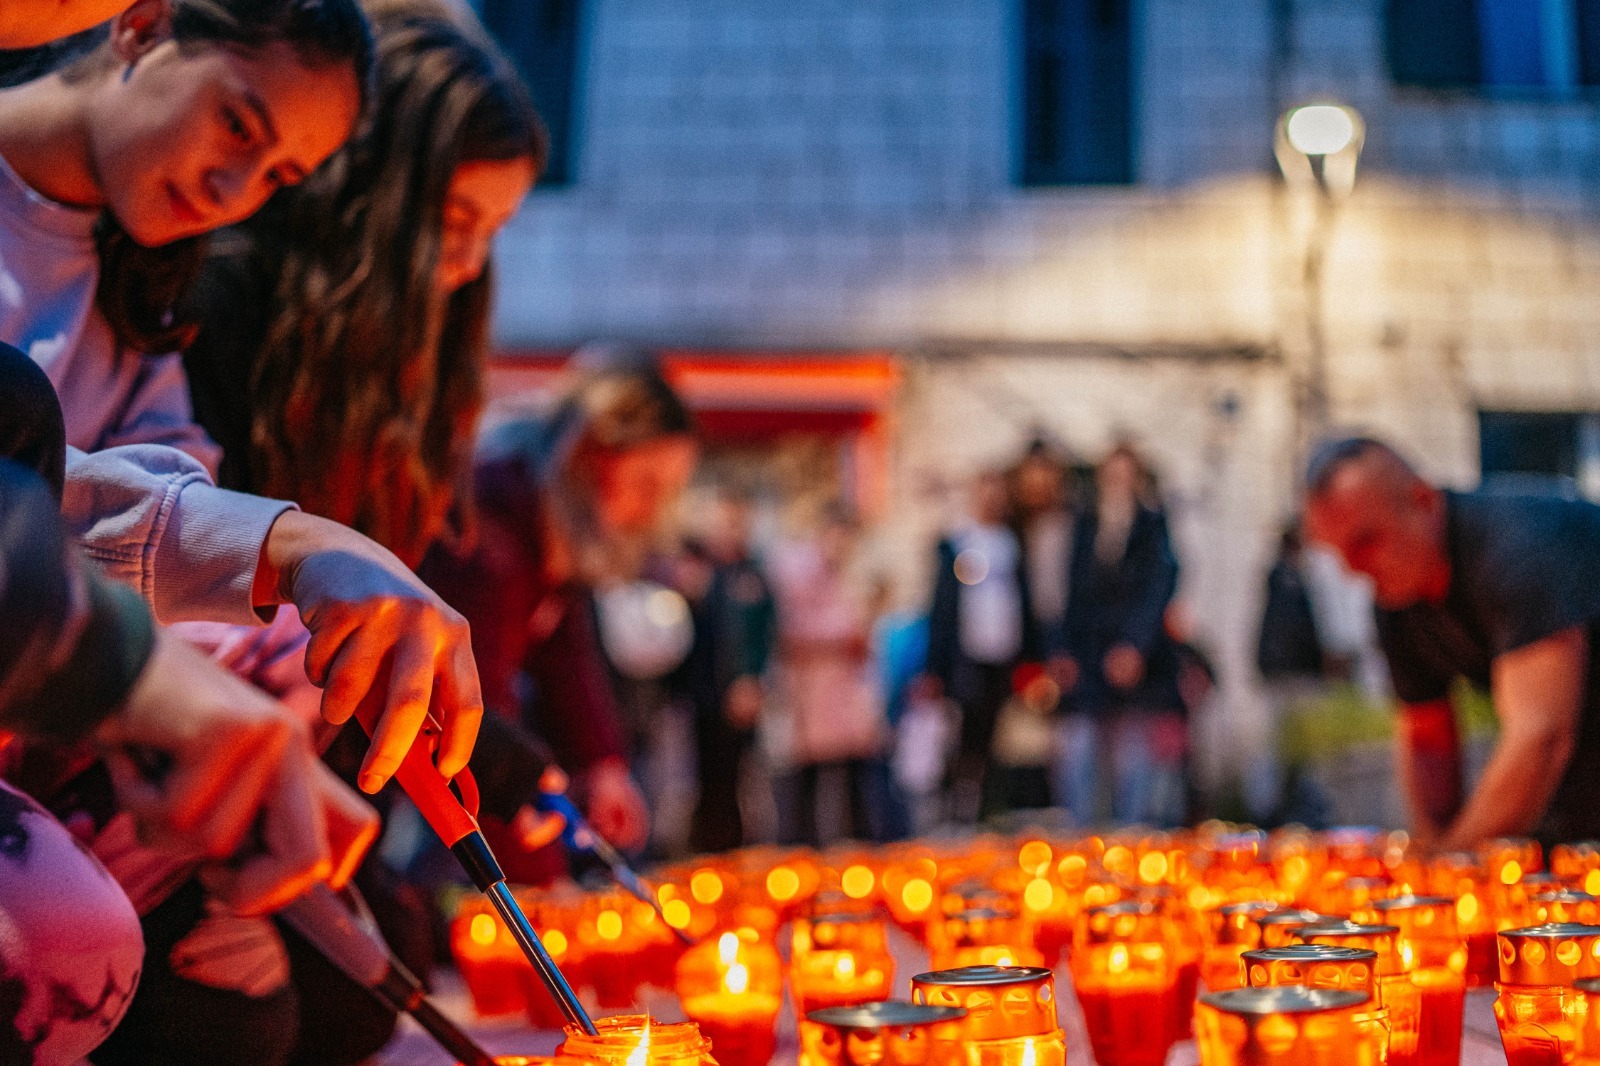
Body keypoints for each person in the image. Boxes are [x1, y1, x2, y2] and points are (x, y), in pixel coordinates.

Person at [0, 0, 483, 800]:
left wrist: (280, 610)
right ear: (142, 24)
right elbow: (48, 513)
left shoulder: (145, 297)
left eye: (277, 177)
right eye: (236, 124)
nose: (234, 188)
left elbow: (160, 513)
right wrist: (285, 549)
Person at [0, 344, 373, 1065]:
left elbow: (110, 507)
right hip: (59, 674)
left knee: (334, 999)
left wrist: (291, 544)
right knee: (81, 953)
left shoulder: (150, 311)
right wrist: (114, 659)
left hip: (73, 657)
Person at [420, 349, 698, 878]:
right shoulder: (490, 533)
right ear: (587, 457)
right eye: (646, 483)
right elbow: (474, 714)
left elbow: (566, 655)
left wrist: (603, 764)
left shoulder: (549, 532)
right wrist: (540, 878)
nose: (651, 509)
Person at [1303, 436, 1600, 849]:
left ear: (1422, 500)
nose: (1353, 570)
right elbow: (1427, 740)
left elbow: (1541, 738)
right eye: (1339, 553)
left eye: (1366, 542)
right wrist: (1433, 850)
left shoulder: (1516, 550)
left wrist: (1452, 860)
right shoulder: (1397, 601)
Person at [1053, 443, 1183, 826]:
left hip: (1136, 658)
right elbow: (1072, 591)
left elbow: (1158, 588)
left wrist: (1134, 647)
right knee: (1082, 753)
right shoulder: (1086, 524)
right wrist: (1064, 649)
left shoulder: (1152, 524)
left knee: (1133, 758)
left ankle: (1132, 836)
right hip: (1090, 653)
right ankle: (1082, 837)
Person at [771, 502, 889, 846]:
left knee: (853, 780)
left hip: (845, 697)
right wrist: (842, 639)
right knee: (806, 786)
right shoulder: (797, 571)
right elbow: (788, 635)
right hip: (809, 695)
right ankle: (802, 858)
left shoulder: (848, 573)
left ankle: (860, 854)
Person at [925, 470, 1040, 823]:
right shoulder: (957, 542)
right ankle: (956, 808)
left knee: (996, 736)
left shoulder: (1012, 542)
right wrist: (934, 666)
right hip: (966, 656)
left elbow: (1025, 603)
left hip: (1003, 656)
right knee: (964, 734)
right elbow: (942, 607)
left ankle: (987, 809)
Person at [676, 489, 775, 853]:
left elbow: (764, 633)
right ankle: (708, 851)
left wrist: (753, 678)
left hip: (740, 691)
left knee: (741, 778)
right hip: (704, 692)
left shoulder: (753, 575)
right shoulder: (698, 571)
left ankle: (738, 851)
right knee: (705, 778)